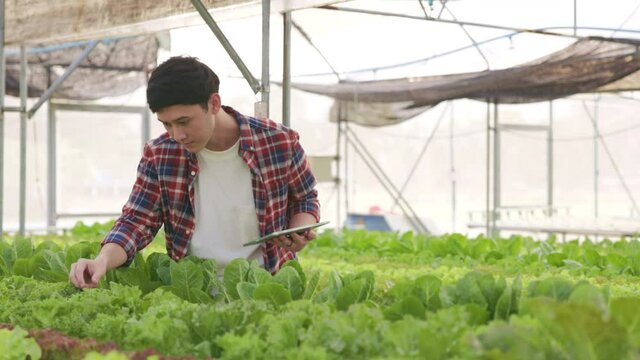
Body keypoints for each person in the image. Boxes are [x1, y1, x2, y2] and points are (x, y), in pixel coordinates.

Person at [69, 56, 320, 288]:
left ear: (214, 103)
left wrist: (300, 229)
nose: (177, 135)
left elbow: (305, 198)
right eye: (166, 124)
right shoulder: (160, 154)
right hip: (194, 290)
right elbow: (137, 221)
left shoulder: (278, 141)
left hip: (267, 286)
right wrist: (102, 260)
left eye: (183, 122)